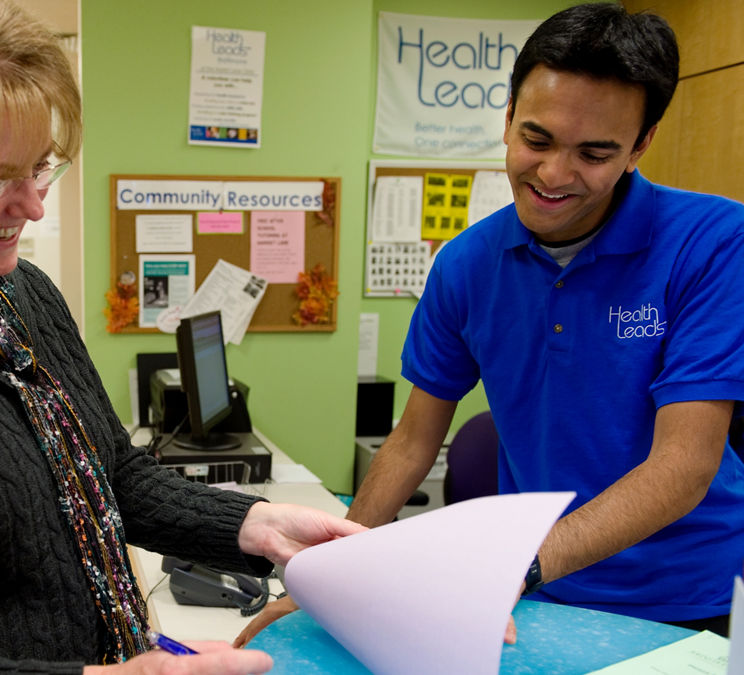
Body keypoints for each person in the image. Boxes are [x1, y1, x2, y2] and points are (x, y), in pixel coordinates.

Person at [0, 0, 363, 672]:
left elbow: (115, 473)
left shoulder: (24, 294)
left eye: (41, 167)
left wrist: (256, 525)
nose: (33, 205)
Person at [237, 2, 744, 646]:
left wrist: (514, 566)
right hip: (540, 598)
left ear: (640, 145)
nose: (554, 175)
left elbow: (684, 465)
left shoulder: (714, 243)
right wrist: (319, 581)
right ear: (506, 119)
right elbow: (416, 438)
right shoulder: (467, 264)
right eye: (537, 140)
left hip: (685, 599)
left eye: (594, 152)